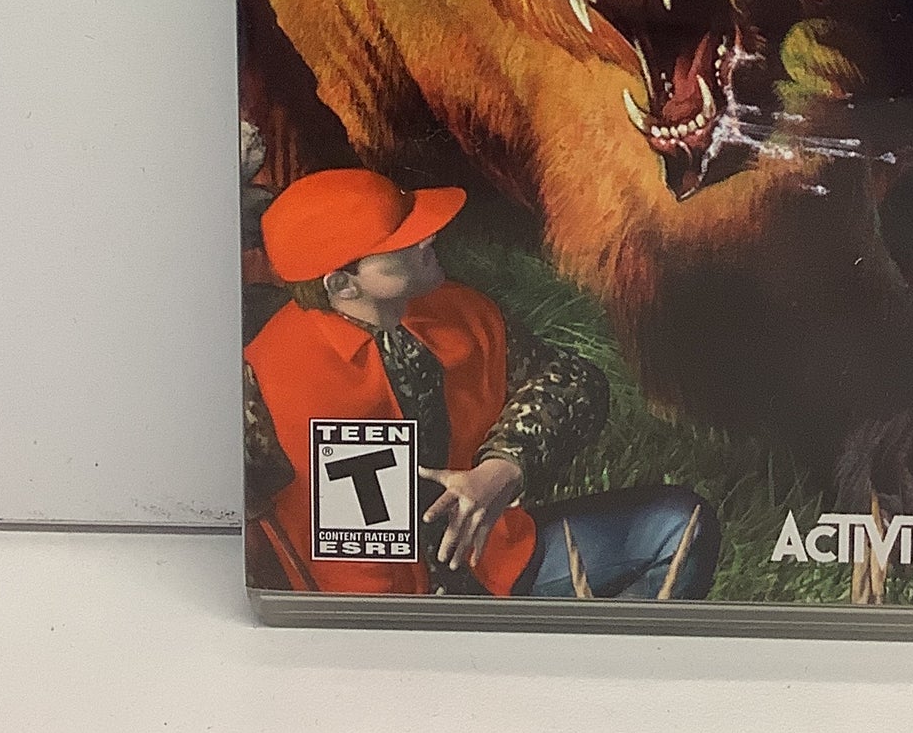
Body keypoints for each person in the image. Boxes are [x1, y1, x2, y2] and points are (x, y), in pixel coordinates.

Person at [243, 165, 718, 601]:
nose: (429, 236)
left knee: (680, 526)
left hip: (497, 563)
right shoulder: (267, 371)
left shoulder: (461, 310)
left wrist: (503, 467)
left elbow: (573, 381)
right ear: (342, 285)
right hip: (370, 616)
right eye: (401, 240)